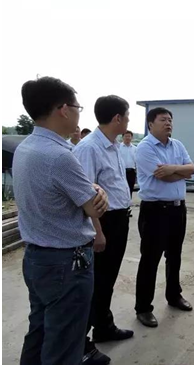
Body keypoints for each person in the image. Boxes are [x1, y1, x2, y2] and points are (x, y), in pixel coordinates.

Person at [13, 76, 109, 365]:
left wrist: (90, 189)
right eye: (78, 107)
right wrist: (98, 190)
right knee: (64, 345)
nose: (79, 114)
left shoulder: (26, 148)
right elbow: (94, 208)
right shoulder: (60, 156)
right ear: (64, 110)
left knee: (40, 331)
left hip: (37, 258)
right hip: (66, 264)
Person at [73, 95, 134, 364]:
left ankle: (104, 326)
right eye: (127, 116)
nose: (129, 121)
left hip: (119, 219)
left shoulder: (114, 145)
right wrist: (97, 232)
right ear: (117, 118)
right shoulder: (89, 148)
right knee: (95, 283)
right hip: (103, 223)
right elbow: (85, 195)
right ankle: (81, 344)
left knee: (107, 281)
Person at [134, 107, 194, 328]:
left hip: (178, 209)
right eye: (163, 119)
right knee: (150, 259)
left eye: (170, 119)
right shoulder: (145, 148)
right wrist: (179, 172)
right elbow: (165, 178)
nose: (168, 123)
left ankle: (174, 295)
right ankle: (143, 307)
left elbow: (192, 169)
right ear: (151, 124)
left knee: (175, 255)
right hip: (155, 211)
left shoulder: (177, 145)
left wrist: (172, 168)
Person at [120, 130, 137, 217]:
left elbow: (137, 161)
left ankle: (128, 209)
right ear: (122, 137)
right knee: (121, 190)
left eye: (129, 136)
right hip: (121, 172)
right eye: (126, 136)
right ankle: (121, 208)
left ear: (132, 138)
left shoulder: (135, 149)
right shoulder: (118, 147)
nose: (127, 138)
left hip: (131, 172)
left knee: (129, 190)